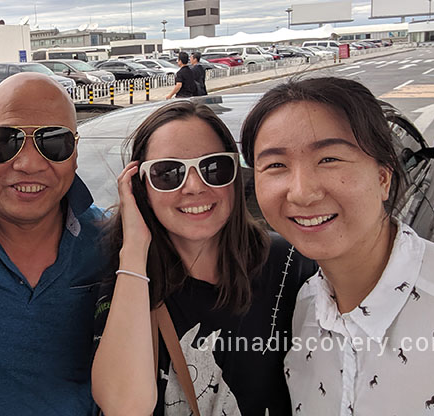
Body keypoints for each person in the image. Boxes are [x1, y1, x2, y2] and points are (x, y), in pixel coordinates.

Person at [240, 76, 434, 415]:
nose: (302, 192)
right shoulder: (304, 310)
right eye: (276, 165)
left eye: (329, 159)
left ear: (383, 177)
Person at [91, 101, 316, 415]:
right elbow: (124, 406)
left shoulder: (289, 263)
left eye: (214, 168)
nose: (195, 187)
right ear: (140, 187)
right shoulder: (127, 280)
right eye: (168, 173)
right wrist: (134, 250)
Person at [0, 72, 108, 415]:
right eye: (6, 141)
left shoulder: (109, 241)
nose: (28, 163)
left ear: (74, 152)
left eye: (53, 142)